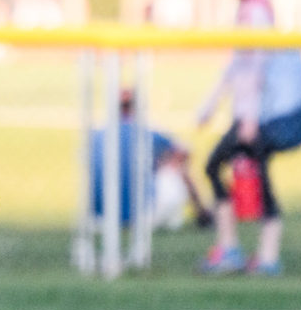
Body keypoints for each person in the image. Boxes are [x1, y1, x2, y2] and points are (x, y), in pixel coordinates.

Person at [196, 0, 301, 275]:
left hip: (271, 112)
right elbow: (240, 63)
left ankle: (241, 251)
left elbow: (256, 66)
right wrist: (211, 104)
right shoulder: (254, 7)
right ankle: (256, 254)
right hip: (266, 111)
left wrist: (248, 117)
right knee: (251, 171)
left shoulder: (255, 11)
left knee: (220, 166)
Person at [90, 89, 213, 232]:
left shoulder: (98, 134)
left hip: (101, 217)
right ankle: (203, 215)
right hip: (142, 215)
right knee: (177, 167)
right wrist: (160, 163)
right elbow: (184, 152)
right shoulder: (147, 131)